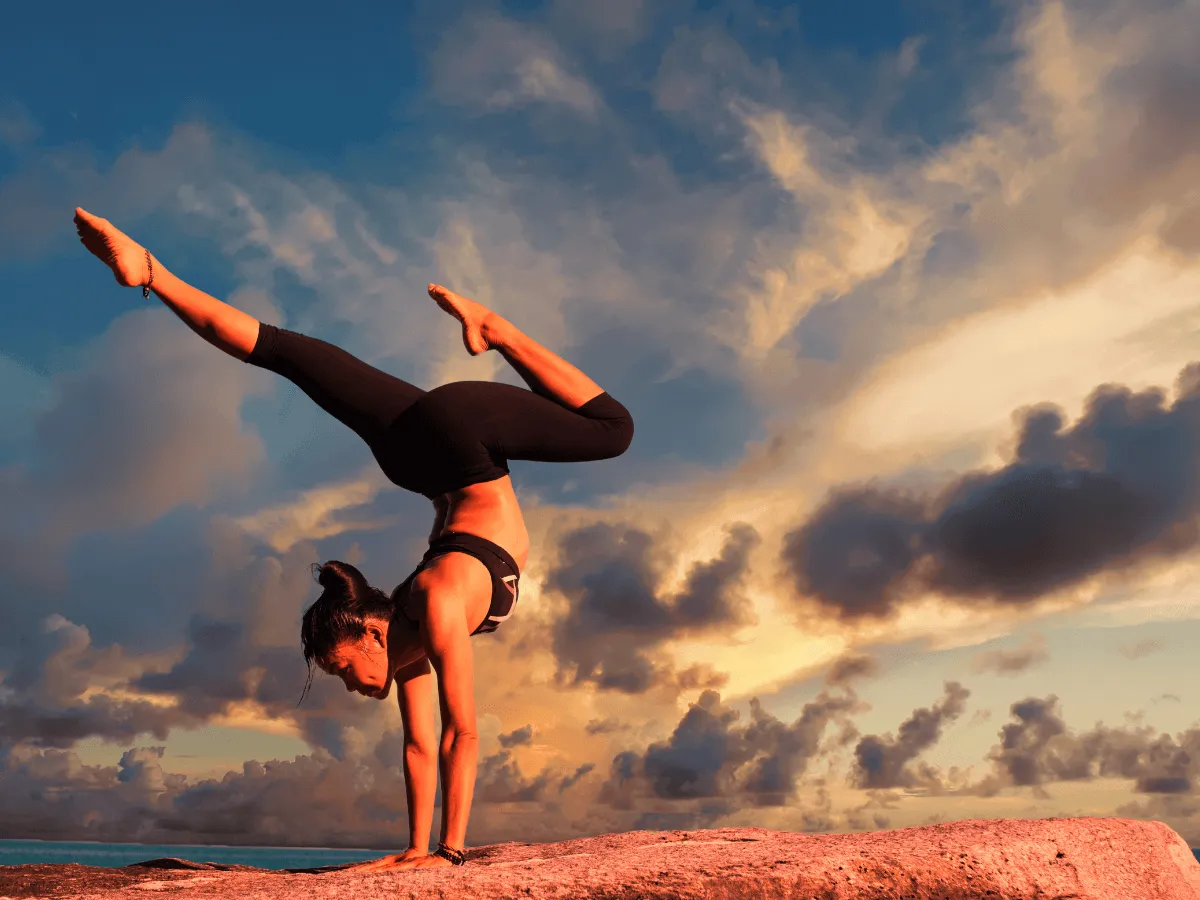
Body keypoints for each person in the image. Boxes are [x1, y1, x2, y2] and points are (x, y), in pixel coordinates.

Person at [73, 207, 634, 871]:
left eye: (341, 668)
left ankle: (495, 329)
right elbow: (422, 745)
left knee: (612, 429)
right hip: (416, 454)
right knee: (283, 352)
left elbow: (464, 731)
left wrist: (450, 853)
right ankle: (152, 274)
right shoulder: (410, 634)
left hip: (464, 442)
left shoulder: (433, 603)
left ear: (372, 633)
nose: (349, 686)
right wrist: (414, 851)